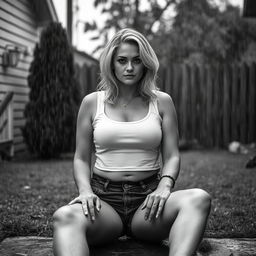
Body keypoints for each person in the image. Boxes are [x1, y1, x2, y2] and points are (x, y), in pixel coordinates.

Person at [53, 28, 211, 256]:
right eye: (122, 60)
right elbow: (80, 157)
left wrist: (165, 187)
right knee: (64, 216)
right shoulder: (91, 103)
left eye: (137, 60)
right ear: (111, 63)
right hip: (103, 202)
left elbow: (172, 155)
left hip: (149, 203)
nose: (129, 67)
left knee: (198, 199)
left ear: (146, 63)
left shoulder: (162, 102)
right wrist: (86, 191)